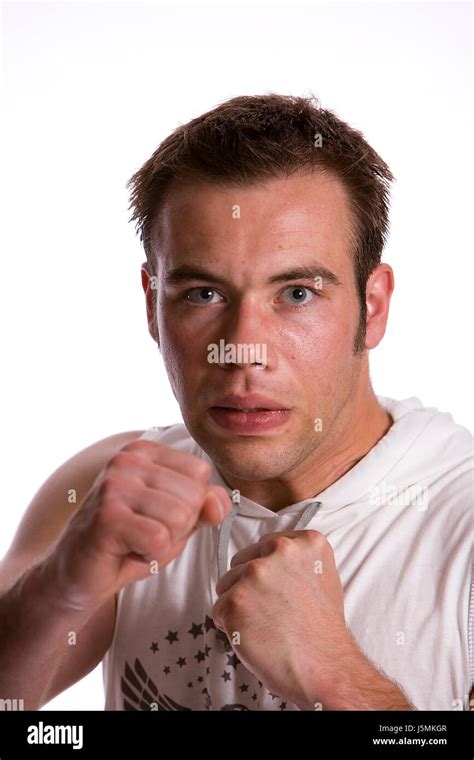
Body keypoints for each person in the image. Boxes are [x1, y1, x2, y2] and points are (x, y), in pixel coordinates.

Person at [0, 94, 472, 712]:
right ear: (152, 305)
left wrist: (337, 680)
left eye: (297, 293)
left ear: (373, 305)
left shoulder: (458, 524)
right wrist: (60, 588)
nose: (241, 351)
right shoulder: (108, 486)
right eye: (202, 294)